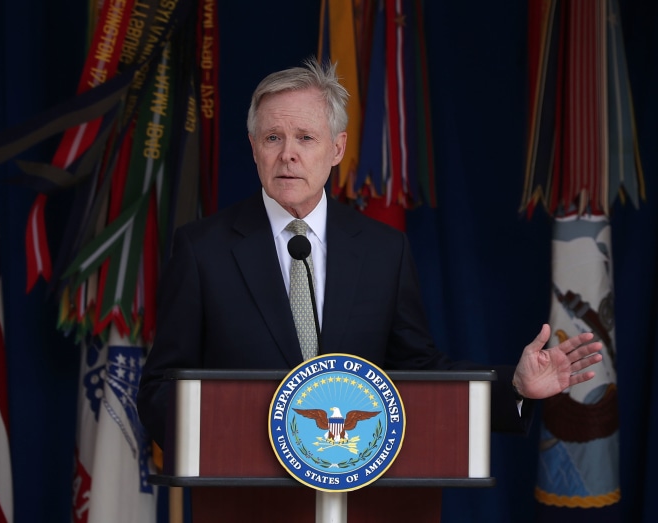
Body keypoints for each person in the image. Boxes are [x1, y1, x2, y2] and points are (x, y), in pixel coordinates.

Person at [136, 59, 602, 449]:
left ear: (337, 148)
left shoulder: (383, 250)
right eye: (273, 138)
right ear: (254, 147)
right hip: (244, 498)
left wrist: (513, 387)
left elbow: (417, 372)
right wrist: (232, 440)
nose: (288, 154)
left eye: (305, 137)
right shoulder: (203, 249)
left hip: (361, 496)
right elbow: (159, 390)